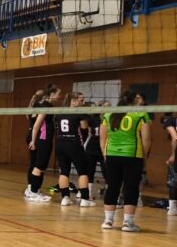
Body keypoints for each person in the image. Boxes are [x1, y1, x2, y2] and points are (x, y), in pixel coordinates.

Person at [100, 91, 151, 232]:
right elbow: (146, 139)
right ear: (134, 100)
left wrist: (105, 153)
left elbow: (102, 137)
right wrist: (145, 156)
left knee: (112, 186)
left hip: (111, 155)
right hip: (133, 155)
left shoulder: (108, 114)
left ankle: (108, 221)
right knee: (131, 187)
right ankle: (128, 223)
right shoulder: (141, 114)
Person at [54, 91, 95, 207]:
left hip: (60, 144)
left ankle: (65, 198)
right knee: (83, 172)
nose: (83, 102)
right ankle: (85, 199)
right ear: (73, 100)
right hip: (74, 144)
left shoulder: (60, 112)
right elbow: (84, 128)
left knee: (64, 172)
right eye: (81, 100)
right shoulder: (79, 112)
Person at [27, 85, 64, 202]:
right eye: (58, 94)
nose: (60, 96)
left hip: (43, 139)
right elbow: (36, 125)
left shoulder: (44, 105)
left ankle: (34, 190)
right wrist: (33, 141)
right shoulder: (46, 106)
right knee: (39, 166)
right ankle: (33, 192)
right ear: (51, 94)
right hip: (43, 139)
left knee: (39, 166)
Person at [163, 111, 177, 216]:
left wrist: (173, 155)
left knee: (173, 180)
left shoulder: (170, 121)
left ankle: (172, 208)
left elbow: (175, 138)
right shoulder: (170, 120)